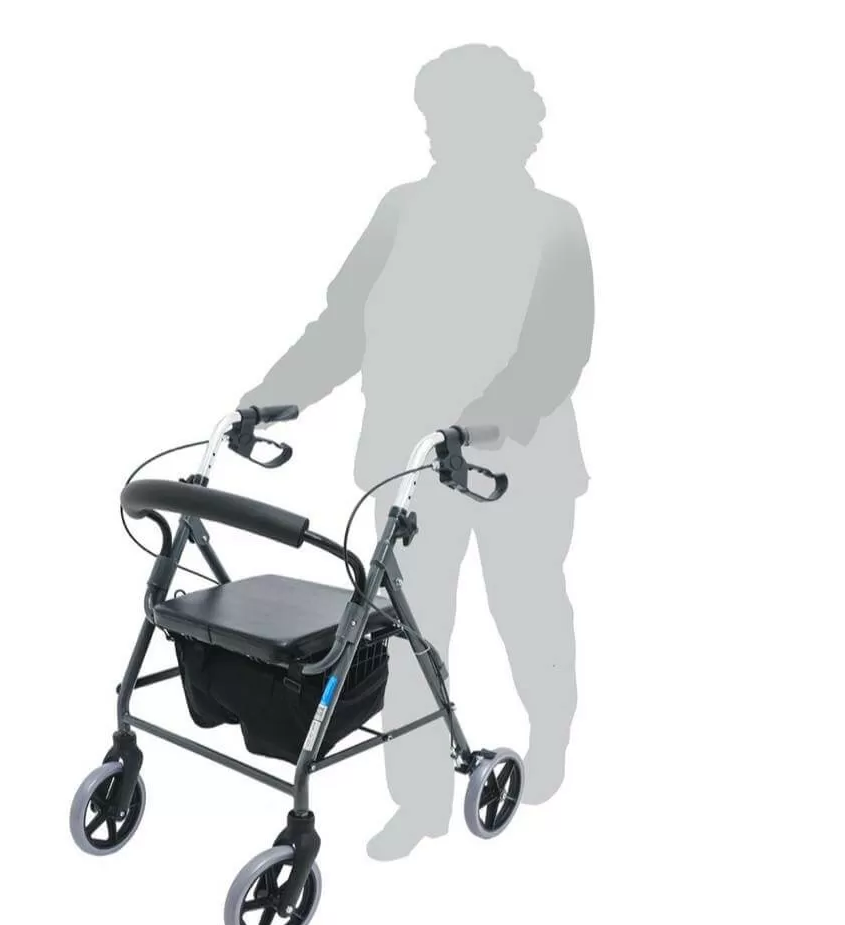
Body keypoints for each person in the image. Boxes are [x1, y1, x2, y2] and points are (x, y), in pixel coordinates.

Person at [239, 43, 594, 860]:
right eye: (429, 117)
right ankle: (421, 799)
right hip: (408, 467)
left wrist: (484, 417)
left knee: (527, 614)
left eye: (449, 117)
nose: (432, 131)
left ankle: (549, 739)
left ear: (503, 124)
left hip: (514, 466)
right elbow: (341, 325)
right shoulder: (401, 209)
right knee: (405, 633)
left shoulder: (554, 223)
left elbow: (559, 347)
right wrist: (271, 397)